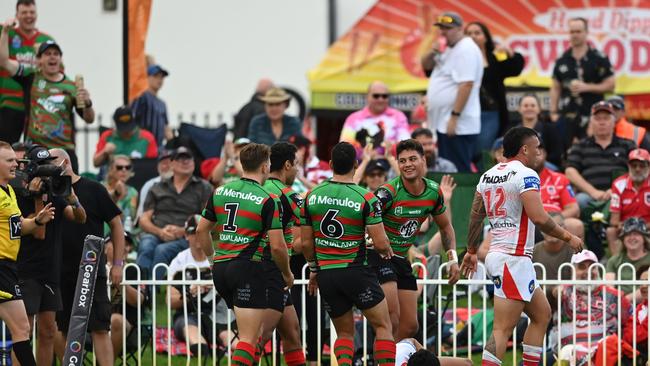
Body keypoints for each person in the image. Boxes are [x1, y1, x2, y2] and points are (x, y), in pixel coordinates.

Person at [460, 126, 583, 366]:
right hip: (512, 258)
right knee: (502, 329)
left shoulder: (487, 175)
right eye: (536, 148)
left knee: (542, 314)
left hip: (507, 257)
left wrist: (472, 250)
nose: (539, 153)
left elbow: (475, 215)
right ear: (524, 149)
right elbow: (538, 217)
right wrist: (569, 237)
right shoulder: (526, 174)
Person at [196, 143, 293, 366]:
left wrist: (212, 259)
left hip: (221, 269)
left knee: (251, 333)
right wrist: (287, 274)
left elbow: (202, 230)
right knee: (249, 339)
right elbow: (278, 247)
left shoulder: (220, 191)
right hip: (248, 267)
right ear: (265, 167)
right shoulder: (268, 199)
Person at [301, 141, 396, 366]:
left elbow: (306, 243)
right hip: (356, 271)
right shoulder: (365, 198)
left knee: (344, 334)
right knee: (383, 326)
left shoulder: (311, 196)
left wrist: (314, 269)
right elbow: (381, 243)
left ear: (331, 164)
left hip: (326, 274)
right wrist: (387, 250)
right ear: (355, 164)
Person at [372, 139, 460, 339]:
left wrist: (453, 259)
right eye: (402, 161)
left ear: (424, 161)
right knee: (391, 319)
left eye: (413, 159)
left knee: (411, 326)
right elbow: (364, 220)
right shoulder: (388, 192)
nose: (407, 164)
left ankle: (396, 357)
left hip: (401, 259)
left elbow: (446, 227)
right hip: (378, 257)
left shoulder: (433, 191)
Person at [49, 148, 125, 366]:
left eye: (51, 160)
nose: (47, 165)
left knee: (100, 327)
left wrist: (118, 264)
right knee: (61, 328)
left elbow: (116, 225)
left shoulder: (93, 189)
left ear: (65, 162)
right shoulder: (49, 191)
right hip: (60, 270)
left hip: (91, 268)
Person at [15, 145, 86, 366]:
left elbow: (80, 218)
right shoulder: (19, 196)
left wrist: (73, 198)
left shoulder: (55, 195)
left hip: (50, 271)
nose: (45, 177)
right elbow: (39, 233)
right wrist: (38, 199)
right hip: (27, 272)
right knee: (23, 333)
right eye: (42, 171)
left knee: (47, 332)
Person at [0, 21, 95, 173]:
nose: (52, 57)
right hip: (36, 150)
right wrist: (5, 31)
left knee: (66, 192)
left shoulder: (72, 86)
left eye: (56, 54)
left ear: (60, 59)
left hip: (64, 151)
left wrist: (88, 103)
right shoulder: (31, 78)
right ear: (39, 59)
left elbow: (89, 119)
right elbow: (4, 62)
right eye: (48, 54)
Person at [0, 141, 56, 366]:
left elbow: (19, 226)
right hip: (1, 267)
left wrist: (37, 220)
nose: (16, 163)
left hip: (9, 267)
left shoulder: (9, 191)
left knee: (21, 328)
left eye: (15, 159)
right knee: (22, 328)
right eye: (9, 160)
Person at [256, 142, 305, 365]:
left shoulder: (257, 188)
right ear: (287, 165)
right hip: (271, 267)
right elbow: (314, 221)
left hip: (256, 264)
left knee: (292, 332)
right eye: (296, 165)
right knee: (258, 336)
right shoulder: (288, 195)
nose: (297, 170)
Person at [136, 146, 212, 281]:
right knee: (146, 245)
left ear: (194, 163)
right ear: (171, 164)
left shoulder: (204, 187)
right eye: (180, 158)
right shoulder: (157, 187)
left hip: (189, 236)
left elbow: (210, 219)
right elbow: (144, 219)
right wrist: (160, 232)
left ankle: (151, 296)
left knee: (162, 250)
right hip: (158, 232)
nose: (185, 161)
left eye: (188, 158)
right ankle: (141, 291)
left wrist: (182, 231)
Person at [421, 11, 483, 172]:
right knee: (447, 169)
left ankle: (458, 199)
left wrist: (455, 117)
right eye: (441, 28)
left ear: (459, 29)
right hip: (443, 122)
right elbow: (426, 66)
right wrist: (432, 51)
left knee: (457, 171)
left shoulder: (466, 48)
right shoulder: (447, 48)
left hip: (457, 124)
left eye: (447, 28)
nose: (442, 32)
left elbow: (466, 85)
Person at [549, 250, 630, 365]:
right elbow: (546, 300)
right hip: (565, 352)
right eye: (582, 267)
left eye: (593, 267)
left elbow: (631, 322)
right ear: (572, 270)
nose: (588, 272)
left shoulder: (613, 295)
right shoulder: (563, 291)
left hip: (605, 352)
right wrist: (553, 293)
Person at [550, 17, 615, 145]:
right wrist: (553, 112)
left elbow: (611, 85)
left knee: (591, 151)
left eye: (578, 31)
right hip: (567, 116)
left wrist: (587, 87)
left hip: (593, 116)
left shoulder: (599, 57)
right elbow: (555, 87)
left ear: (586, 32)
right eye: (572, 32)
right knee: (565, 153)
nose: (575, 35)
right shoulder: (562, 59)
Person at [168, 215, 223, 356]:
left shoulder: (218, 258)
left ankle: (234, 351)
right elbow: (170, 301)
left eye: (203, 232)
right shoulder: (179, 261)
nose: (199, 237)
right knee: (190, 328)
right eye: (194, 233)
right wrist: (191, 293)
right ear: (186, 235)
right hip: (188, 314)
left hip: (217, 313)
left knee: (228, 332)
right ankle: (203, 351)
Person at [0, 0, 54, 143]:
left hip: (36, 105)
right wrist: (5, 29)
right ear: (16, 15)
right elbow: (2, 60)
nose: (28, 16)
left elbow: (55, 70)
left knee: (34, 152)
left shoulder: (46, 40)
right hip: (10, 102)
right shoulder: (7, 33)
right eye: (24, 12)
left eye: (32, 12)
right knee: (7, 149)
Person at [565, 101, 636, 211]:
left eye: (606, 118)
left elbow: (638, 169)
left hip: (622, 193)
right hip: (589, 196)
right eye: (598, 119)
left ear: (614, 122)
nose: (602, 122)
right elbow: (570, 171)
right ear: (591, 122)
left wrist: (616, 190)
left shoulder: (628, 145)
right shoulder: (580, 146)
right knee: (580, 200)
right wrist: (593, 192)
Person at [465, 21, 524, 151]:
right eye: (469, 34)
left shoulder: (495, 57)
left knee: (483, 151)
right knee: (468, 151)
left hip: (489, 113)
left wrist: (509, 52)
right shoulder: (459, 59)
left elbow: (515, 68)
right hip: (466, 112)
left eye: (477, 33)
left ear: (486, 37)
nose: (473, 36)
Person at [339, 81, 410, 159]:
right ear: (367, 97)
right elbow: (344, 147)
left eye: (384, 96)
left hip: (391, 167)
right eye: (376, 96)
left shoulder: (398, 116)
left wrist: (381, 151)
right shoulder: (353, 119)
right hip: (360, 167)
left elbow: (406, 144)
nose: (380, 99)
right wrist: (363, 154)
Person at [105, 232, 148, 358]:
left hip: (127, 326)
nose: (123, 247)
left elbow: (139, 300)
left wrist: (120, 282)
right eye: (117, 242)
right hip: (93, 322)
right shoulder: (93, 270)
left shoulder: (135, 271)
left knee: (116, 320)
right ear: (105, 248)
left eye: (127, 244)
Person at [608, 148, 650, 252]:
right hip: (626, 228)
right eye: (634, 165)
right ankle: (617, 265)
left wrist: (641, 227)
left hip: (648, 227)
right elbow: (614, 221)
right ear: (628, 166)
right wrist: (629, 227)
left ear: (649, 166)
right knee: (611, 231)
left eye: (642, 165)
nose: (637, 169)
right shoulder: (618, 184)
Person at [93, 105, 158, 168]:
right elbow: (95, 163)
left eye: (129, 128)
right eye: (123, 129)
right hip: (112, 177)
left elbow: (154, 166)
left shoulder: (147, 138)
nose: (126, 132)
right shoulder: (107, 136)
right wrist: (105, 152)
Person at [512, 94, 564, 169]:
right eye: (526, 106)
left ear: (539, 109)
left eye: (533, 106)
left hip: (545, 165)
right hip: (519, 166)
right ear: (519, 109)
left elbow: (557, 153)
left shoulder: (550, 128)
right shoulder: (512, 131)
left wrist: (540, 159)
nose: (529, 108)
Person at [605, 217, 650, 300]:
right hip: (618, 307)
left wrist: (625, 300)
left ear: (644, 238)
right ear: (623, 239)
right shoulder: (614, 260)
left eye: (636, 234)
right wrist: (617, 302)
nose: (632, 237)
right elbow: (609, 287)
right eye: (628, 234)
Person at [532, 143, 579, 219]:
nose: (535, 158)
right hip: (528, 219)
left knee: (575, 225)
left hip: (556, 217)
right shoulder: (515, 179)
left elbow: (574, 208)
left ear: (545, 154)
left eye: (538, 153)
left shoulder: (560, 179)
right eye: (531, 154)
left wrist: (558, 218)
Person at [131, 64, 173, 149]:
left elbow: (166, 127)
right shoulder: (142, 97)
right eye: (155, 76)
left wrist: (172, 140)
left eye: (161, 77)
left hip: (159, 148)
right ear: (147, 78)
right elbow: (132, 118)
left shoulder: (162, 104)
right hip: (143, 146)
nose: (159, 80)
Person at [532, 214, 575, 281]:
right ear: (540, 230)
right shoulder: (532, 252)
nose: (551, 231)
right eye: (546, 227)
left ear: (565, 229)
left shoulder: (574, 250)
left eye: (557, 227)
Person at [136, 148, 173, 218]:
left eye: (171, 162)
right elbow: (141, 213)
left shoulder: (188, 184)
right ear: (158, 167)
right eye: (164, 163)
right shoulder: (149, 185)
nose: (168, 166)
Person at [396, 338, 471, 366]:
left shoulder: (407, 347)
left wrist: (426, 355)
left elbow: (467, 363)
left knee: (466, 363)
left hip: (418, 356)